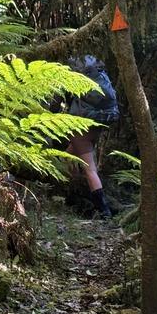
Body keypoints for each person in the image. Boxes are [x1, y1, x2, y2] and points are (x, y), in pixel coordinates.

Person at [63, 55, 120, 219]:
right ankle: (71, 192)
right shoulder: (98, 75)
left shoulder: (74, 80)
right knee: (68, 156)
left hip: (80, 127)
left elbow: (65, 102)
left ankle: (104, 211)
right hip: (98, 123)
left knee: (90, 169)